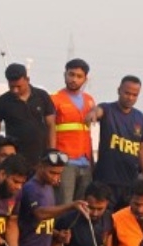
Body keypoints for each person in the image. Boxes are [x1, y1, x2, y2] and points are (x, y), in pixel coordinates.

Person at [87, 75, 143, 210]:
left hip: (129, 182)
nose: (130, 98)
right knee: (105, 221)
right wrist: (93, 113)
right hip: (106, 180)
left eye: (135, 95)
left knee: (124, 221)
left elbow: (141, 148)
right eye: (127, 93)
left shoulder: (140, 117)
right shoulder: (108, 109)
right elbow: (98, 111)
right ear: (119, 90)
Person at [48, 58, 95, 204]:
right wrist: (53, 162)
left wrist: (92, 162)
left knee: (82, 205)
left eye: (79, 76)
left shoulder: (90, 100)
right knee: (64, 204)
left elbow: (88, 133)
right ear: (65, 75)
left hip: (85, 162)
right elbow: (49, 131)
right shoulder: (55, 99)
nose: (74, 79)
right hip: (65, 160)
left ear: (85, 79)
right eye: (71, 74)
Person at [0, 63, 54, 165]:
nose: (15, 90)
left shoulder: (42, 96)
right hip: (15, 158)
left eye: (19, 86)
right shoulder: (1, 102)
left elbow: (51, 126)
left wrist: (52, 152)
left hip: (40, 157)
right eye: (12, 86)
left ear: (27, 80)